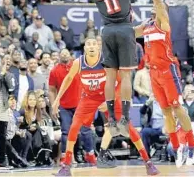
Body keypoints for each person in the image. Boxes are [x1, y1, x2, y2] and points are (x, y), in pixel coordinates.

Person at [52, 38, 159, 176]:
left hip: (109, 96)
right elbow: (68, 80)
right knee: (74, 127)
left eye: (94, 44)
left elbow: (122, 83)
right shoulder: (78, 63)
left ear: (99, 47)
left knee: (128, 127)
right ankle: (66, 166)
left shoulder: (107, 61)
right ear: (84, 48)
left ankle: (148, 162)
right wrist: (57, 100)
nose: (91, 46)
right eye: (88, 44)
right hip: (89, 98)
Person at [136, 0, 194, 166]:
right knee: (166, 113)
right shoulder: (146, 27)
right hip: (153, 73)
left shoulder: (163, 22)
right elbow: (127, 31)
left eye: (159, 6)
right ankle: (178, 147)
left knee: (178, 109)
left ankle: (192, 147)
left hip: (168, 69)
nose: (156, 7)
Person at [89, 0, 141, 137]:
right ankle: (126, 118)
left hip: (107, 30)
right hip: (125, 29)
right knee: (126, 77)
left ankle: (111, 118)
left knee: (110, 78)